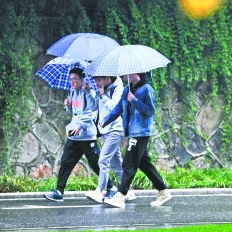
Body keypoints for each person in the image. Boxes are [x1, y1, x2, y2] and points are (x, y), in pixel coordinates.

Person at [99, 72, 172, 209]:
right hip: (132, 131)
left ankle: (120, 196)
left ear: (136, 73)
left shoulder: (146, 89)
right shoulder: (127, 89)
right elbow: (119, 108)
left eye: (128, 73)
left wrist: (135, 101)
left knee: (128, 163)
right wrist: (106, 120)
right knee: (144, 164)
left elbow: (150, 110)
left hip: (141, 131)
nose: (125, 75)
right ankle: (163, 191)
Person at [44, 67, 115, 202]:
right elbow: (75, 113)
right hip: (74, 135)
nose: (72, 82)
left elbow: (90, 112)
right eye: (70, 79)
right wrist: (68, 106)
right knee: (66, 162)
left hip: (87, 136)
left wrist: (80, 126)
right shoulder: (72, 92)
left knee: (95, 164)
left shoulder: (90, 93)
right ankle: (59, 191)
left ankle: (111, 187)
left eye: (74, 79)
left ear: (82, 79)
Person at [85, 76, 136, 203]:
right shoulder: (102, 88)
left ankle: (99, 191)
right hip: (105, 130)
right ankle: (128, 190)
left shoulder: (118, 88)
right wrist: (88, 92)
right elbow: (93, 108)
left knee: (103, 160)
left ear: (107, 78)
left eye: (99, 80)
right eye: (95, 80)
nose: (97, 82)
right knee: (116, 164)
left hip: (115, 129)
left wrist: (103, 95)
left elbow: (115, 107)